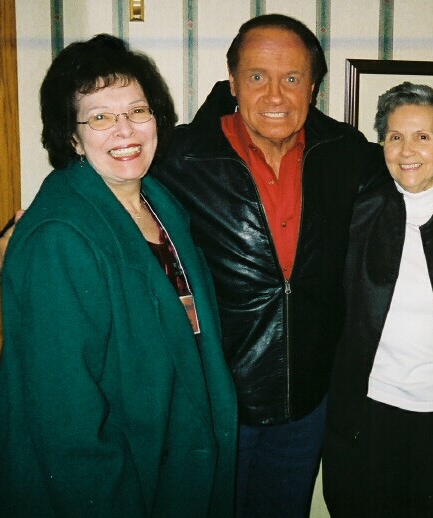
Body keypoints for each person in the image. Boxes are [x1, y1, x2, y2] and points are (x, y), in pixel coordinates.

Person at [0, 35, 237, 515]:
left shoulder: (158, 202)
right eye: (99, 117)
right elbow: (66, 420)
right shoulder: (60, 236)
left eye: (137, 111)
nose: (125, 130)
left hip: (169, 453)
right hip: (109, 481)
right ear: (72, 137)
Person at [151, 14, 385, 517]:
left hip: (307, 401)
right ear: (232, 81)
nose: (276, 95)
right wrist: (19, 234)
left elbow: (424, 179)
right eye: (257, 76)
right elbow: (105, 196)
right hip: (217, 400)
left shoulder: (345, 152)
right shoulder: (179, 156)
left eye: (292, 78)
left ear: (313, 87)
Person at [322, 82, 433, 517]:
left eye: (423, 136)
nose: (406, 150)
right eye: (395, 136)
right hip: (370, 412)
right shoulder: (356, 211)